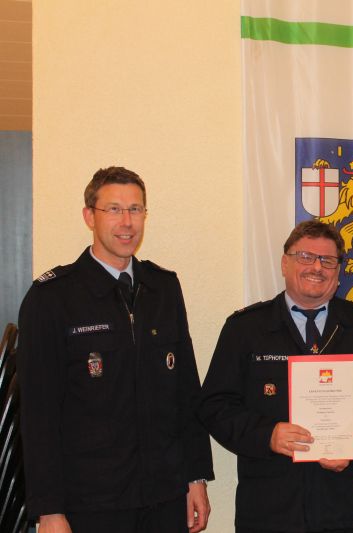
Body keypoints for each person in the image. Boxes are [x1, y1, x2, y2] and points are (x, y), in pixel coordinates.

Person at [17, 166, 214, 533]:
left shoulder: (164, 288)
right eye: (114, 209)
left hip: (164, 498)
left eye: (136, 209)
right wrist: (48, 510)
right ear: (89, 216)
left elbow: (185, 393)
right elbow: (38, 414)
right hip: (91, 504)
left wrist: (196, 476)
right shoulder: (52, 298)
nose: (127, 222)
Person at [197, 219, 353, 533]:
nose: (316, 267)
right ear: (285, 263)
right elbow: (215, 406)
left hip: (335, 507)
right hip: (265, 508)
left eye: (328, 260)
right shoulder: (246, 330)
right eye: (305, 257)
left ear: (338, 272)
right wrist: (267, 434)